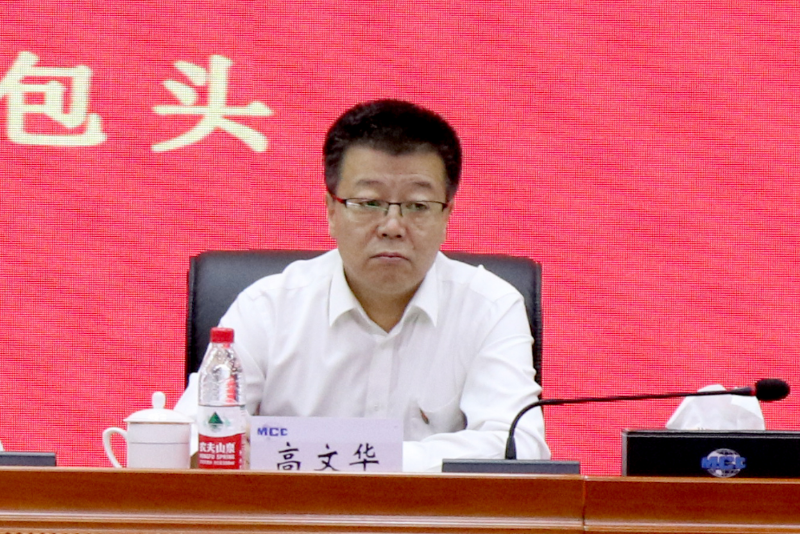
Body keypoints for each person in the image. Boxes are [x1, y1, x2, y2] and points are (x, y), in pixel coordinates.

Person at [217, 99, 550, 471]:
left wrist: (360, 458)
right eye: (369, 203)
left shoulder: (489, 307)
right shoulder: (266, 308)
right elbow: (201, 436)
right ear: (331, 210)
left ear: (447, 216)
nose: (392, 226)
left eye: (418, 206)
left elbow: (519, 446)